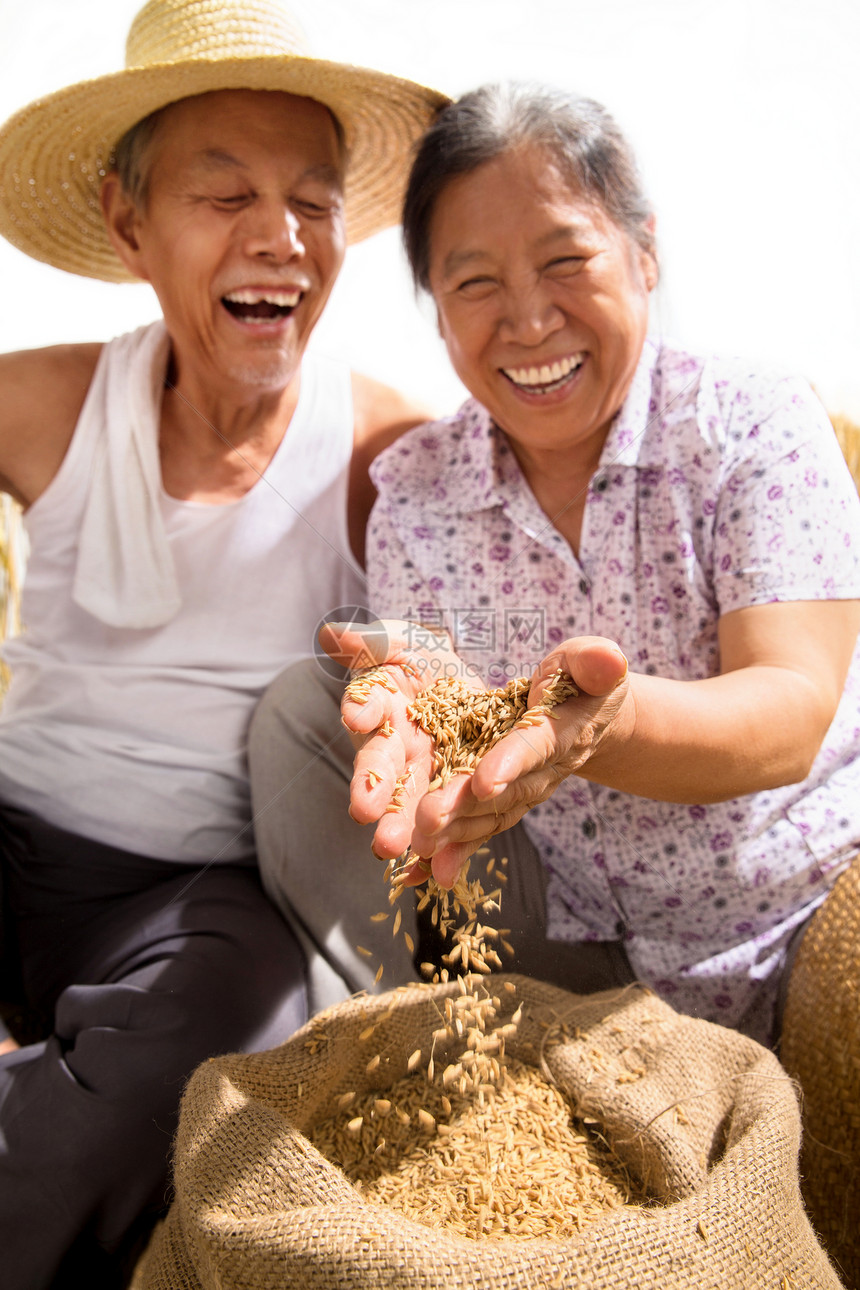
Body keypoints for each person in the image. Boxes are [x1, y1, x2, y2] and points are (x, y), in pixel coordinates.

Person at [260, 82, 860, 1059]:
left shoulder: (751, 427)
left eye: (565, 261)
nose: (529, 320)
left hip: (772, 919)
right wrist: (409, 709)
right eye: (474, 284)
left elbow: (789, 710)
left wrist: (603, 731)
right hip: (567, 934)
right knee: (299, 707)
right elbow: (428, 690)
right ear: (437, 310)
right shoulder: (416, 490)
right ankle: (398, 1052)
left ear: (644, 253)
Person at [0, 1, 445, 1285]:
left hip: (191, 905)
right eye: (226, 194)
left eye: (313, 201)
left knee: (227, 1050)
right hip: (16, 832)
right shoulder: (47, 403)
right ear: (130, 223)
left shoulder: (380, 448)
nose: (280, 238)